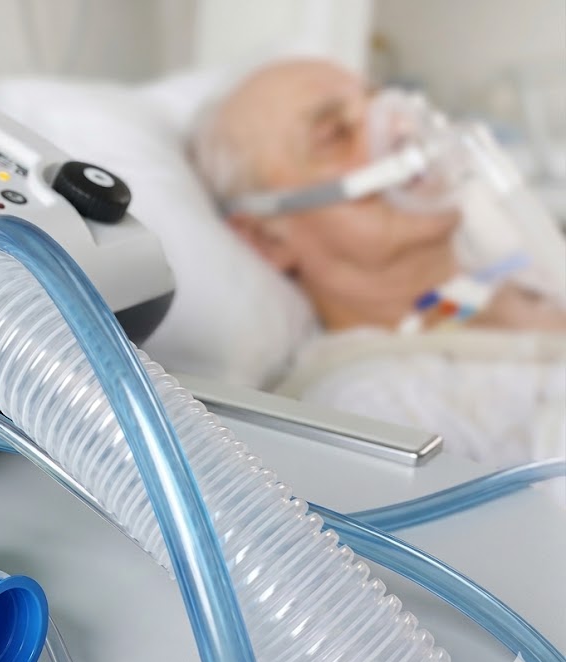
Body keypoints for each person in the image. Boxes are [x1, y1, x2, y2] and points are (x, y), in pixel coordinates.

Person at [189, 58, 566, 466]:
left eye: (382, 104)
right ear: (266, 236)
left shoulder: (516, 277)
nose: (401, 129)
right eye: (335, 134)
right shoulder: (376, 410)